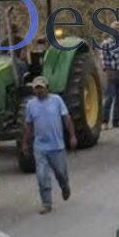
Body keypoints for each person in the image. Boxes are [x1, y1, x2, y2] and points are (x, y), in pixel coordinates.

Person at [23, 76, 76, 214]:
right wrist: (25, 143)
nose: (39, 91)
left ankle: (64, 186)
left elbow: (66, 118)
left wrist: (72, 135)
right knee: (42, 175)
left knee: (60, 173)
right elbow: (28, 126)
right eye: (36, 89)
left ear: (47, 88)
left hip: (57, 146)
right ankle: (46, 203)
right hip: (40, 147)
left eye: (41, 88)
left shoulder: (57, 100)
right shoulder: (30, 105)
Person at [100, 21, 119, 129]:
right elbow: (103, 59)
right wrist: (107, 71)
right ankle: (104, 122)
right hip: (111, 73)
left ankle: (116, 121)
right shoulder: (106, 44)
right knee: (109, 98)